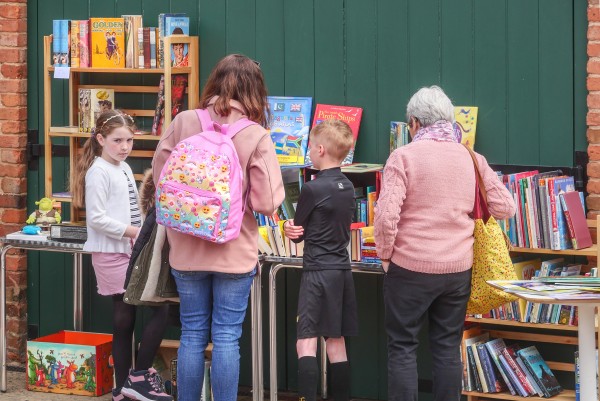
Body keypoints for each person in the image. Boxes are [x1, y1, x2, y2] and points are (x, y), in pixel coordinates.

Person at [152, 54, 284, 401]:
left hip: (186, 251)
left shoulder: (183, 122)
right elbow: (267, 203)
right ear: (255, 91)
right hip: (234, 251)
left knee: (193, 333)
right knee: (226, 335)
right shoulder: (255, 135)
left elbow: (159, 177)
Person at [373, 86, 516, 401]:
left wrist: (386, 257)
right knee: (447, 347)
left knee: (402, 347)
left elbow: (385, 218)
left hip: (408, 268)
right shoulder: (471, 157)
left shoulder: (403, 156)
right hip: (456, 271)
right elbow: (506, 207)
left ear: (413, 123)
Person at [71, 110, 173, 401]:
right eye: (117, 140)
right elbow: (97, 219)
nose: (124, 146)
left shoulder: (125, 168)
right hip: (111, 252)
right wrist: (134, 232)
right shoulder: (98, 172)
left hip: (131, 250)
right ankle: (127, 384)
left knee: (155, 308)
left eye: (129, 140)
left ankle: (131, 381)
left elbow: (133, 209)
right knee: (124, 317)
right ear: (101, 139)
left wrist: (142, 233)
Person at [283, 119, 358, 401]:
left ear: (322, 150)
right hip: (341, 271)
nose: (309, 151)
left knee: (306, 342)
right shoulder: (348, 186)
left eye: (312, 146)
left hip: (316, 272)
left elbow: (298, 232)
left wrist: (290, 228)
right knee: (336, 342)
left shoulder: (312, 189)